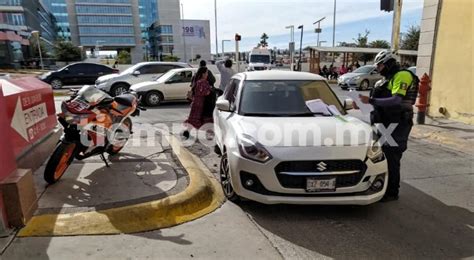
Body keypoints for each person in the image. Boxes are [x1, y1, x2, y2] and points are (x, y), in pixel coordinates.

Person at [358, 50, 418, 202]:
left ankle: (391, 192)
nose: (378, 68)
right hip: (385, 123)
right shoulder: (385, 80)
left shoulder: (402, 75)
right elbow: (378, 100)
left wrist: (371, 101)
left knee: (392, 155)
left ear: (389, 63)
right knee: (383, 155)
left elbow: (396, 101)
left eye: (380, 65)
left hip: (397, 123)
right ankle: (383, 187)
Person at [183, 67, 213, 139]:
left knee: (193, 118)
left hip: (195, 102)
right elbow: (205, 93)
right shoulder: (203, 82)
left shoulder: (197, 81)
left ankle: (187, 132)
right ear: (203, 74)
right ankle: (209, 134)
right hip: (201, 103)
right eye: (206, 73)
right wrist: (210, 90)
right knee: (203, 118)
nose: (207, 74)